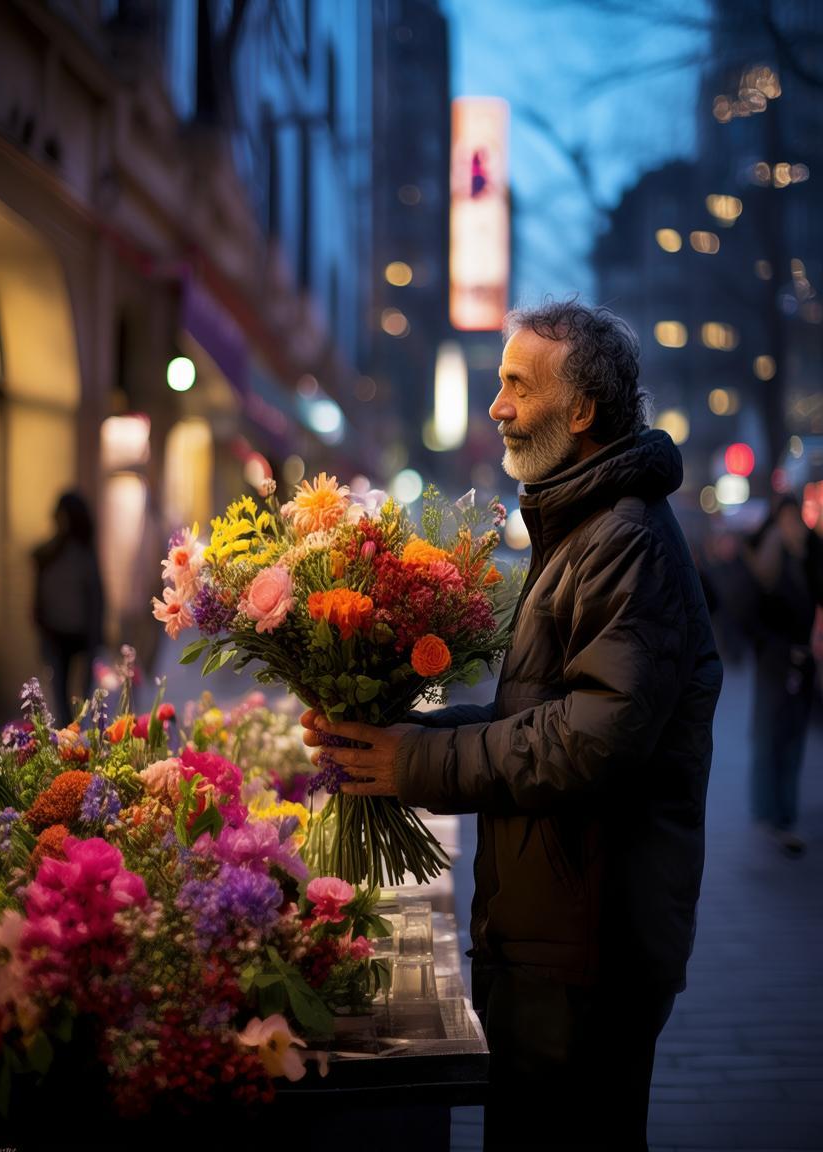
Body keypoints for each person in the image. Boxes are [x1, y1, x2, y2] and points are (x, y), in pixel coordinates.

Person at [302, 299, 722, 1151]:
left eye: (516, 387)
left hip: (588, 942)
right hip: (551, 924)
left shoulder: (623, 539)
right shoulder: (582, 525)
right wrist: (392, 731)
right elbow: (533, 716)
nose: (496, 406)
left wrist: (415, 762)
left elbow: (590, 743)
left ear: (581, 410)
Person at [742, 492, 823, 857]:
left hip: (803, 662)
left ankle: (785, 813)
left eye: (797, 518)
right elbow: (752, 614)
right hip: (774, 662)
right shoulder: (770, 556)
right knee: (769, 735)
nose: (794, 526)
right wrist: (776, 647)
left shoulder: (810, 554)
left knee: (793, 738)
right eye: (788, 518)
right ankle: (768, 811)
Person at [32, 490, 105, 727]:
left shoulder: (82, 554)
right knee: (60, 699)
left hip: (79, 634)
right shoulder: (51, 553)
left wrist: (96, 636)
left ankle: (74, 738)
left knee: (79, 698)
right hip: (55, 633)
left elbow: (96, 599)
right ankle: (66, 738)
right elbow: (39, 596)